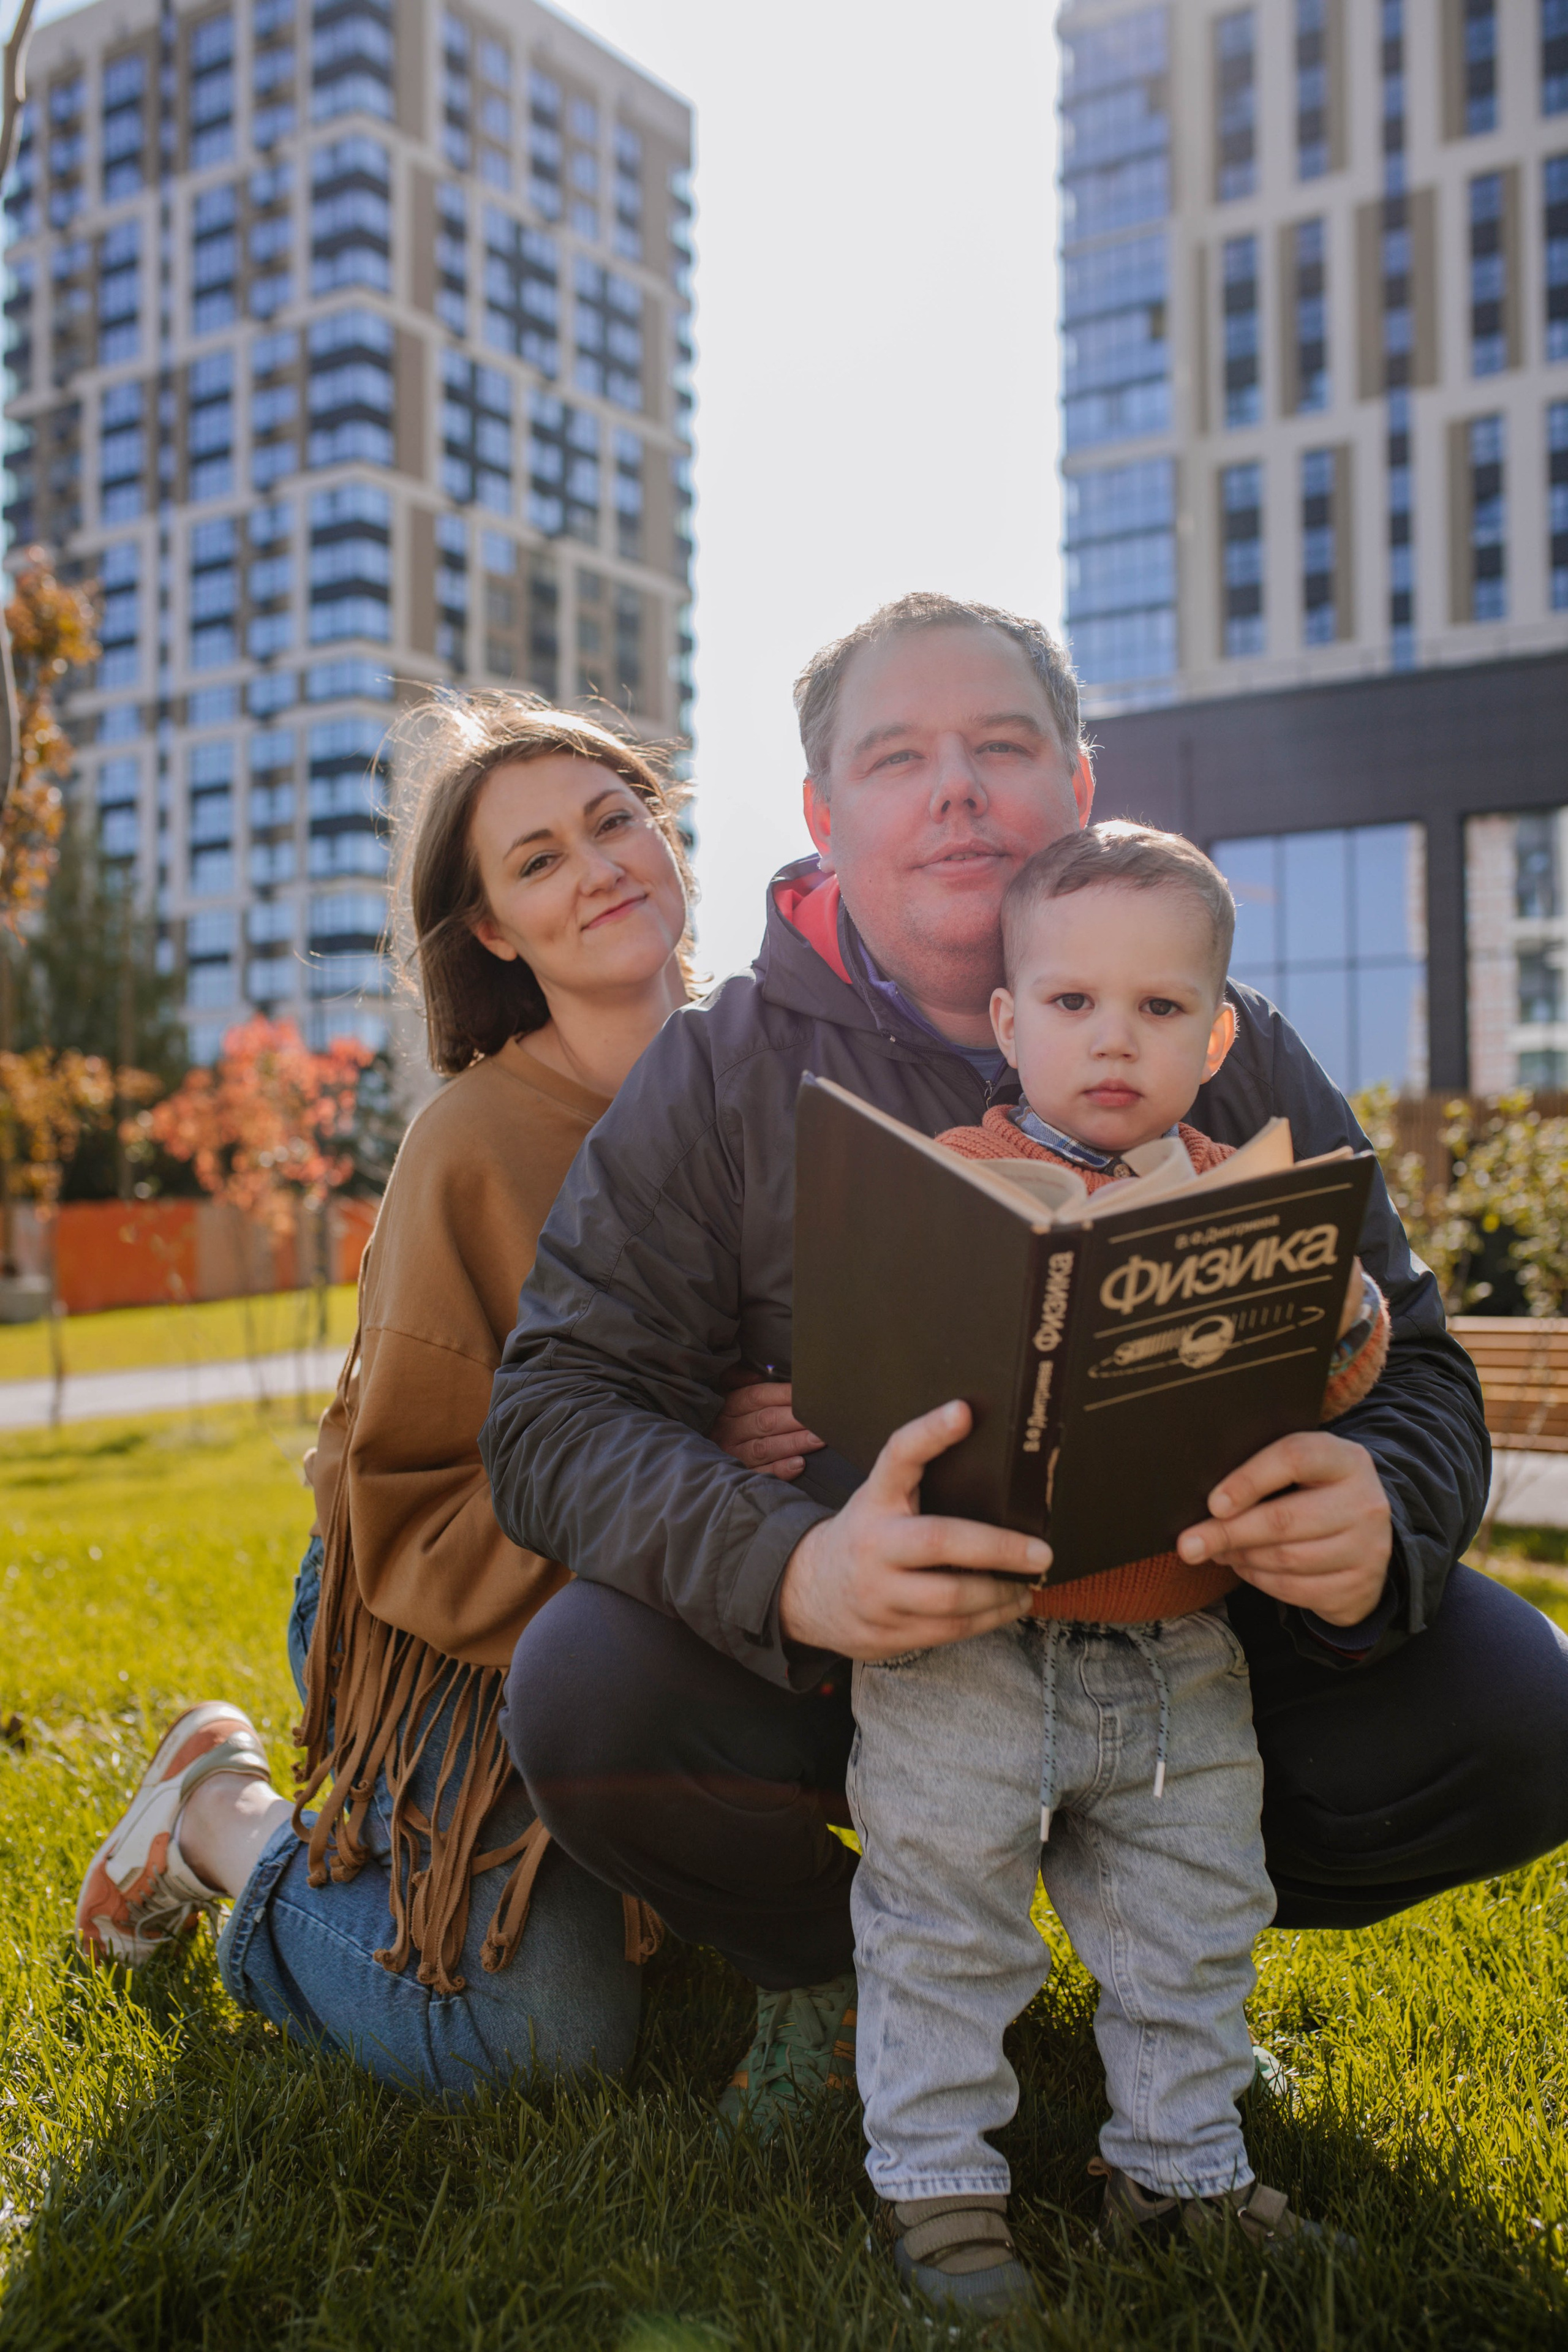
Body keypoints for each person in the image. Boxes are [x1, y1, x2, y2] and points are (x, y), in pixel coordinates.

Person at [481, 594, 1567, 2148]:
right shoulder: (717, 1072)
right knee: (589, 1692)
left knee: (1517, 1711)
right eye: (896, 758)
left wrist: (1378, 1506)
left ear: (1077, 781)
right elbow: (550, 1415)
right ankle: (829, 1970)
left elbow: (1420, 1367)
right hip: (870, 1663)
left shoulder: (1227, 1043)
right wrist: (793, 1568)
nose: (955, 791)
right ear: (821, 815)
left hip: (1191, 1639)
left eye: (1000, 746)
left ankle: (1168, 1958)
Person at [74, 696, 778, 2101]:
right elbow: (407, 1501)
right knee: (538, 2042)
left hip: (676, 1595)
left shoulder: (772, 1079)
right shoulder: (473, 1143)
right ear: (496, 933)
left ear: (666, 838)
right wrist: (689, 1466)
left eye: (615, 821)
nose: (597, 869)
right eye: (537, 861)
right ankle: (220, 1821)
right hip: (436, 1607)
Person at [846, 821, 1389, 2316]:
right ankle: (937, 2188)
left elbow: (1345, 1377)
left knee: (1190, 1923)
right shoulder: (957, 1176)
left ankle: (1178, 2170)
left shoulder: (1242, 1188)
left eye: (1158, 1009)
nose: (1112, 1038)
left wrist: (1334, 1308)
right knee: (941, 1920)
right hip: (967, 1647)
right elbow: (868, 1368)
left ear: (1213, 1040)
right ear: (1008, 1020)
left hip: (1175, 1648)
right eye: (1072, 1002)